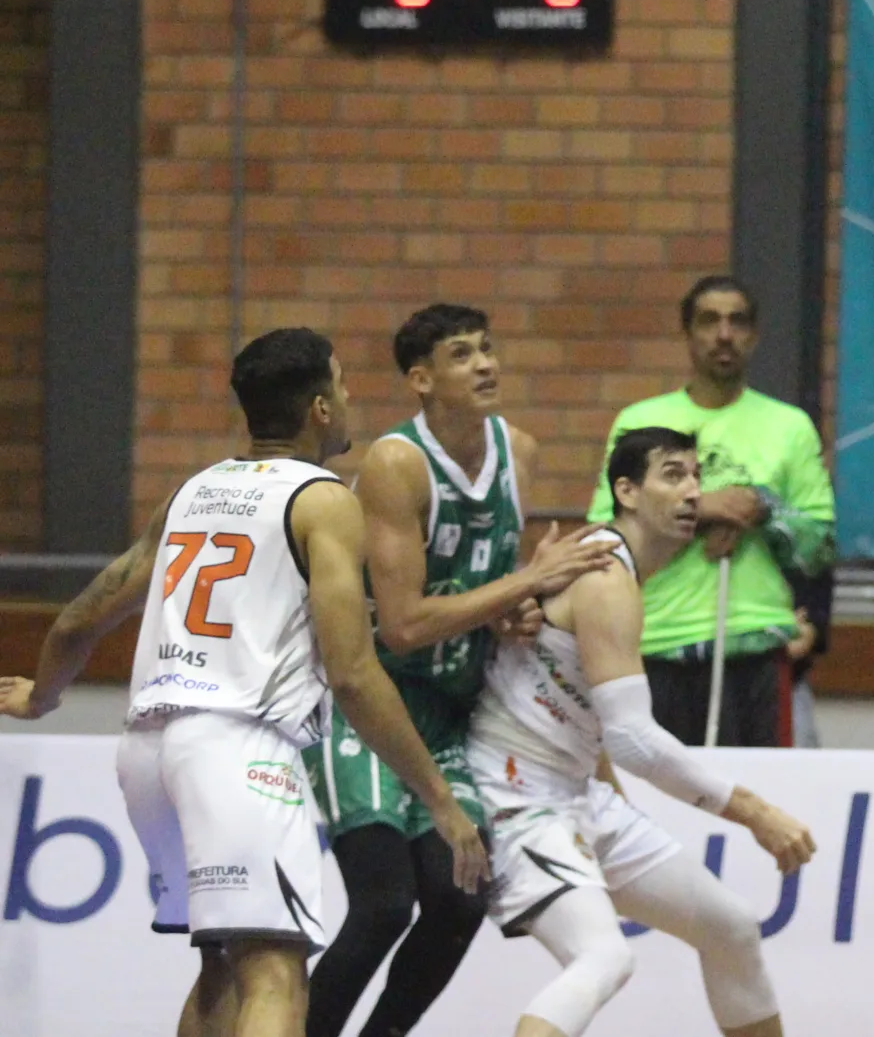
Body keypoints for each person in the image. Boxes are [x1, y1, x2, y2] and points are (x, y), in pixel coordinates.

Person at [0, 327, 490, 1037]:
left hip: (145, 754)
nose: (351, 399)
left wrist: (41, 694)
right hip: (239, 751)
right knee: (276, 972)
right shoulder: (325, 500)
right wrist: (439, 797)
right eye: (345, 385)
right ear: (320, 407)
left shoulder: (192, 492)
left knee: (225, 967)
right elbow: (353, 672)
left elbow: (84, 616)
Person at [304, 303, 616, 1037]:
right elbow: (406, 624)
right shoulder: (395, 461)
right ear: (420, 378)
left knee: (457, 903)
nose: (484, 364)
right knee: (384, 903)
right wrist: (525, 585)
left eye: (487, 348)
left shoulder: (522, 450)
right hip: (376, 702)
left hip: (453, 711)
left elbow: (486, 588)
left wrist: (517, 611)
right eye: (460, 354)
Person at [472, 426, 817, 1037]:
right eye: (672, 475)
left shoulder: (619, 569)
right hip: (515, 795)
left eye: (696, 476)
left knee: (731, 927)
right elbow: (634, 739)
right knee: (604, 957)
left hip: (575, 793)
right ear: (626, 491)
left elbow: (587, 715)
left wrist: (605, 794)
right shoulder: (606, 575)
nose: (692, 492)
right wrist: (756, 812)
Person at [586, 276, 836, 748]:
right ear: (687, 334)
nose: (724, 334)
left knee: (761, 805)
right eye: (709, 321)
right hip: (655, 642)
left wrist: (760, 507)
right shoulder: (639, 422)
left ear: (754, 336)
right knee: (657, 807)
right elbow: (603, 540)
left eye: (737, 321)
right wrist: (700, 511)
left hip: (755, 644)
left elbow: (819, 548)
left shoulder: (789, 427)